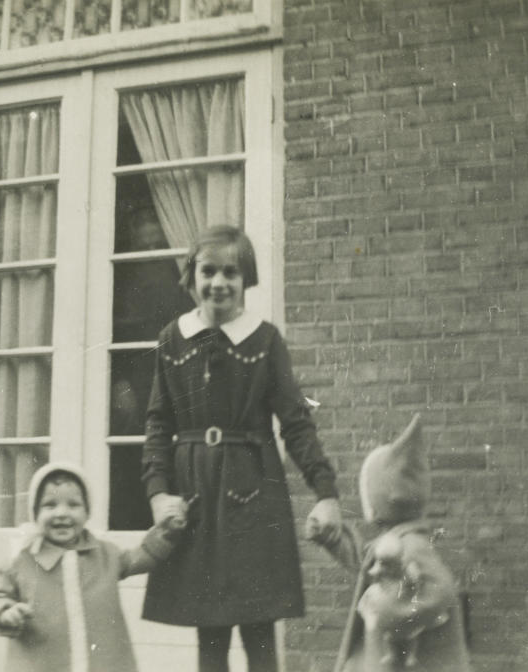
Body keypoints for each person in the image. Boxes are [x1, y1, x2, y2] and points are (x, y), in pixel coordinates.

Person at [141, 225, 343, 672]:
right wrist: (158, 493)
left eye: (230, 272)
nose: (218, 283)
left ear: (246, 278)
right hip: (197, 498)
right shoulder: (172, 341)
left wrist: (326, 493)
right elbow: (158, 424)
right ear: (191, 279)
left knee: (259, 629)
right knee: (209, 633)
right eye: (208, 271)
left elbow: (296, 423)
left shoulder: (265, 340)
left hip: (255, 496)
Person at [309, 414, 471, 672]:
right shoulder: (396, 541)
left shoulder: (412, 547)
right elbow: (365, 562)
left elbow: (443, 589)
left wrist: (390, 609)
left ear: (385, 500)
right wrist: (332, 538)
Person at [0, 462, 184, 672]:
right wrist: (6, 613)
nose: (61, 513)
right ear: (34, 514)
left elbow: (142, 557)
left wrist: (167, 532)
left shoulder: (105, 554)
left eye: (73, 505)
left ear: (87, 512)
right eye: (49, 505)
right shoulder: (22, 561)